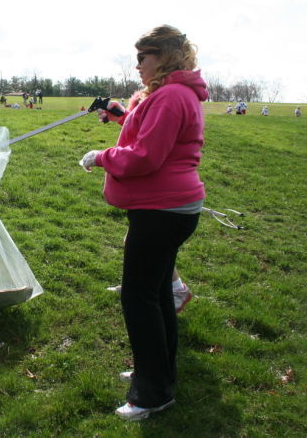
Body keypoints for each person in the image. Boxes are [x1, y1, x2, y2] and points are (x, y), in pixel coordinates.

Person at [80, 25, 206, 420]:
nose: (137, 66)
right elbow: (149, 135)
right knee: (156, 295)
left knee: (139, 299)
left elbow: (146, 156)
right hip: (167, 209)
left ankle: (152, 394)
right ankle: (158, 373)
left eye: (143, 58)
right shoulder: (172, 93)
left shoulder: (170, 95)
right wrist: (123, 117)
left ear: (163, 57)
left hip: (162, 212)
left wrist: (100, 157)